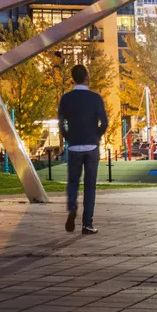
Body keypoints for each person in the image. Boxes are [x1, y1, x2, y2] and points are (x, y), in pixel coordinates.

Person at [56, 63, 108, 234]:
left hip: (74, 146)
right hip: (91, 145)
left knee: (73, 181)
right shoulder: (95, 98)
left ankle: (72, 206)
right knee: (90, 185)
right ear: (87, 76)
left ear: (73, 78)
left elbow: (61, 122)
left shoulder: (66, 98)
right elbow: (104, 122)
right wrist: (96, 135)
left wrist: (68, 136)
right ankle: (87, 224)